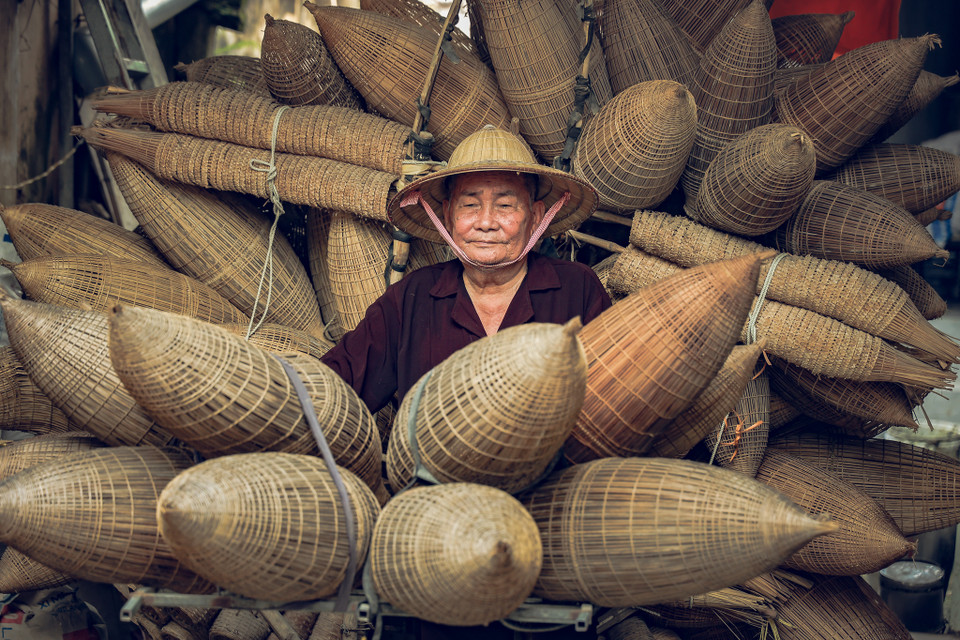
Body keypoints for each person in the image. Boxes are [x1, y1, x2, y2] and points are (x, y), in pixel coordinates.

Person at [320, 125, 612, 414]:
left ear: (535, 216)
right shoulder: (412, 298)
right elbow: (336, 386)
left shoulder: (576, 289)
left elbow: (611, 397)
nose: (485, 222)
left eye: (505, 205)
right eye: (470, 205)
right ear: (447, 216)